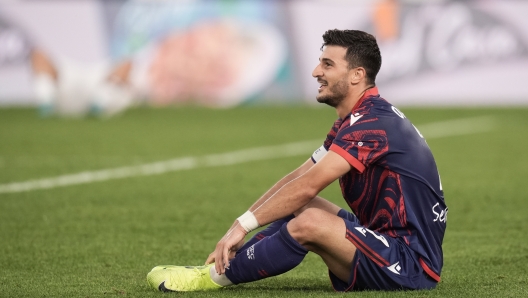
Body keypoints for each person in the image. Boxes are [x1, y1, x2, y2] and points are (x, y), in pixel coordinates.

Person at [146, 29, 447, 292]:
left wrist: (243, 226)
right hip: (379, 235)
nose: (316, 71)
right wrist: (241, 224)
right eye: (319, 62)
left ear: (357, 75)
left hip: (410, 261)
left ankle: (211, 280)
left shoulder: (371, 124)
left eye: (327, 65)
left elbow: (309, 185)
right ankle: (226, 264)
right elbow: (297, 180)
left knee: (311, 220)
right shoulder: (356, 120)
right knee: (297, 205)